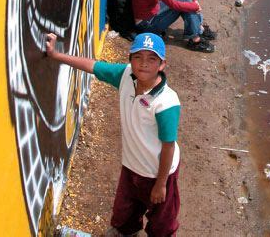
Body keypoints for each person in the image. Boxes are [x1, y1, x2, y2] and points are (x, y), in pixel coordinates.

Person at [45, 31, 182, 236]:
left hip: (158, 172)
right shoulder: (126, 75)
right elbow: (92, 66)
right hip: (131, 166)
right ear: (130, 60)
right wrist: (56, 55)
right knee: (124, 214)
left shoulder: (166, 102)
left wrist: (161, 184)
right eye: (138, 57)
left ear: (162, 65)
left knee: (162, 222)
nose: (144, 63)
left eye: (151, 59)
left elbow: (168, 146)